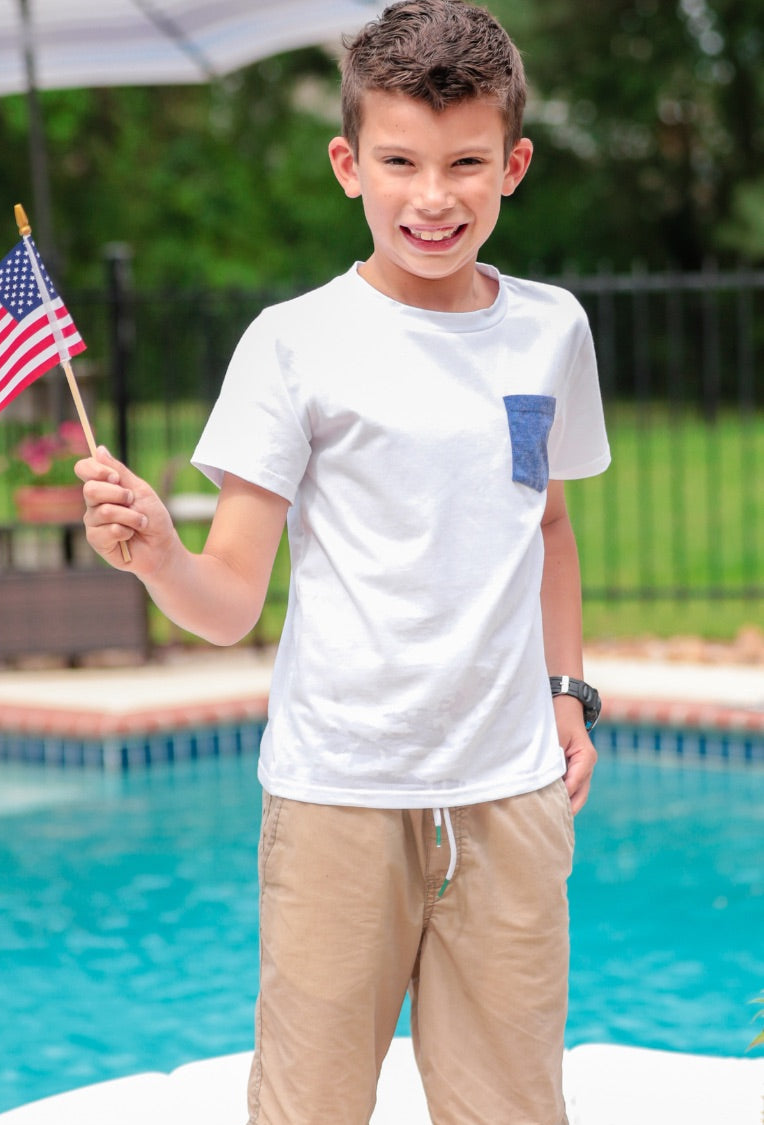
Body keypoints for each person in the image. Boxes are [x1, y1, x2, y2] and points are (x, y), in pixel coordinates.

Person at [77, 2, 610, 1121]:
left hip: (509, 799)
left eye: (466, 162)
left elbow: (548, 526)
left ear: (512, 165)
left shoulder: (551, 331)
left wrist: (567, 692)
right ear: (347, 164)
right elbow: (227, 604)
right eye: (400, 161)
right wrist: (164, 558)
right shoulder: (292, 344)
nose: (433, 196)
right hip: (337, 801)